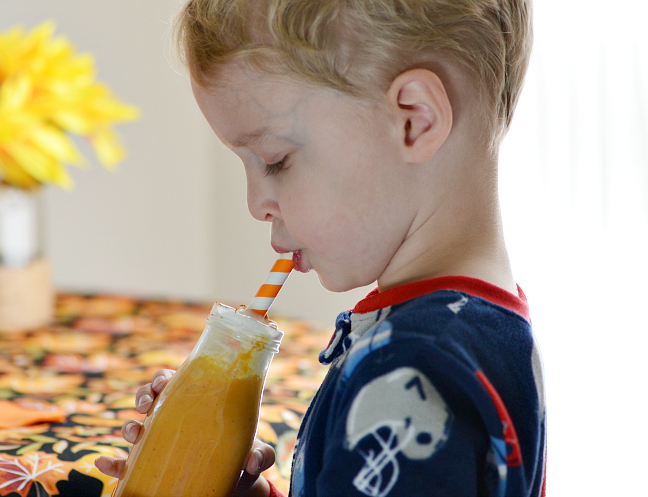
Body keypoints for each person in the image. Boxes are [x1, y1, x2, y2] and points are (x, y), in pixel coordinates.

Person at [96, 0, 547, 495]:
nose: (256, 205)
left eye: (275, 160)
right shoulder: (482, 328)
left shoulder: (412, 370)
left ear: (413, 119)